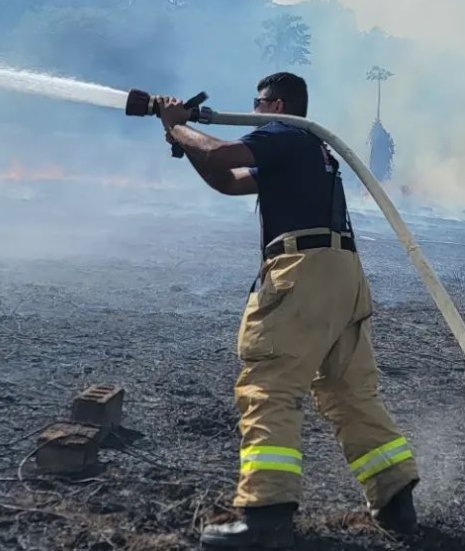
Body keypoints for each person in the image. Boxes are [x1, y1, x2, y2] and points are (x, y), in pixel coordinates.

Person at [152, 72, 419, 549]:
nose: (253, 111)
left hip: (301, 272)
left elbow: (221, 153)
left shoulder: (283, 132)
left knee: (269, 385)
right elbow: (226, 180)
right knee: (348, 390)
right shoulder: (307, 149)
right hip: (342, 275)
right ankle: (396, 498)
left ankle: (266, 514)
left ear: (275, 105)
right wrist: (185, 142)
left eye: (257, 104)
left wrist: (176, 124)